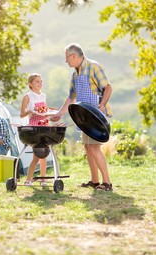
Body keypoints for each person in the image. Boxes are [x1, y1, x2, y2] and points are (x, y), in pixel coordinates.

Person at [51, 43, 113, 191]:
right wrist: (60, 113)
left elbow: (108, 88)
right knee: (87, 147)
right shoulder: (75, 74)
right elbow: (71, 97)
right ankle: (95, 181)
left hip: (96, 115)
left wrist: (103, 104)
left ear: (73, 56)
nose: (66, 61)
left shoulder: (94, 67)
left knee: (94, 148)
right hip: (84, 117)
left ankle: (107, 183)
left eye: (67, 58)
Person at [20, 73, 48, 187]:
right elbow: (22, 114)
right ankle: (28, 180)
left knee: (45, 155)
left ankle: (43, 179)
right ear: (30, 84)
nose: (40, 83)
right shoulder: (27, 96)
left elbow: (44, 111)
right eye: (37, 81)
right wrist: (29, 112)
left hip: (44, 125)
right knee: (37, 155)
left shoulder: (43, 96)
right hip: (34, 127)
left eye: (41, 81)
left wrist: (50, 112)